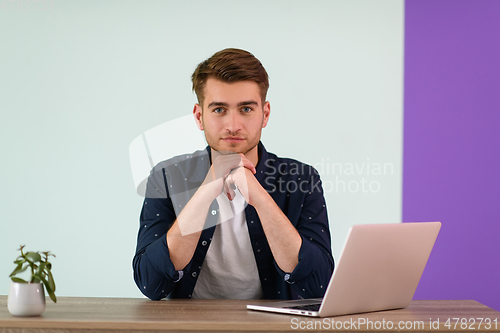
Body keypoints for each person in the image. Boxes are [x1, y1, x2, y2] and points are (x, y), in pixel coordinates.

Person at [133, 48, 334, 300]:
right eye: (219, 110)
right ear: (199, 116)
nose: (233, 125)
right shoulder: (166, 177)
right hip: (188, 325)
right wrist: (205, 191)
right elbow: (150, 283)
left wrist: (259, 197)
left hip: (271, 326)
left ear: (265, 114)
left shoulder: (302, 179)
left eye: (246, 109)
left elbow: (319, 285)